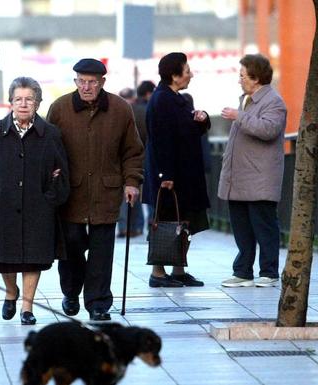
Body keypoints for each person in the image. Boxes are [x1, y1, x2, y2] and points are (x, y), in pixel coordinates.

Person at [47, 58, 144, 321]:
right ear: (75, 81)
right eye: (82, 81)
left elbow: (132, 151)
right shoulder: (59, 109)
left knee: (102, 250)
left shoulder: (120, 109)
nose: (86, 87)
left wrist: (132, 182)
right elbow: (48, 149)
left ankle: (98, 302)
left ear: (102, 82)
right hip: (71, 193)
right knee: (72, 245)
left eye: (92, 82)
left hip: (106, 191)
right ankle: (70, 291)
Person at [0, 76, 69, 325]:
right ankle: (10, 292)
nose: (24, 104)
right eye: (18, 99)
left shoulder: (50, 134)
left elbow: (61, 171)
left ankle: (27, 307)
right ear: (10, 102)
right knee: (5, 258)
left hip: (39, 207)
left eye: (29, 99)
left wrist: (50, 199)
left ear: (38, 103)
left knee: (33, 257)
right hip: (2, 206)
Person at [142, 52, 210, 288]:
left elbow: (187, 132)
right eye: (187, 70)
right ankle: (158, 273)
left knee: (184, 221)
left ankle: (178, 269)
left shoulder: (178, 99)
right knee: (166, 221)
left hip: (185, 175)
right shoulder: (161, 100)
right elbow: (162, 140)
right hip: (171, 177)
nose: (190, 74)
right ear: (174, 75)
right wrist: (166, 175)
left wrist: (202, 120)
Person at [219, 54, 287, 288]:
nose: (239, 80)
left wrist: (240, 116)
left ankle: (269, 271)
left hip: (260, 178)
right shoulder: (247, 100)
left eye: (242, 76)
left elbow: (268, 129)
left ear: (256, 78)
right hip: (239, 178)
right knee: (242, 227)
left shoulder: (273, 101)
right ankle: (243, 271)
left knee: (264, 226)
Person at [117, 80, 156, 238]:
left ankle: (126, 227)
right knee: (139, 191)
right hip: (144, 156)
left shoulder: (119, 111)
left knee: (127, 193)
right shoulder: (145, 110)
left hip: (123, 158)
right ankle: (140, 225)